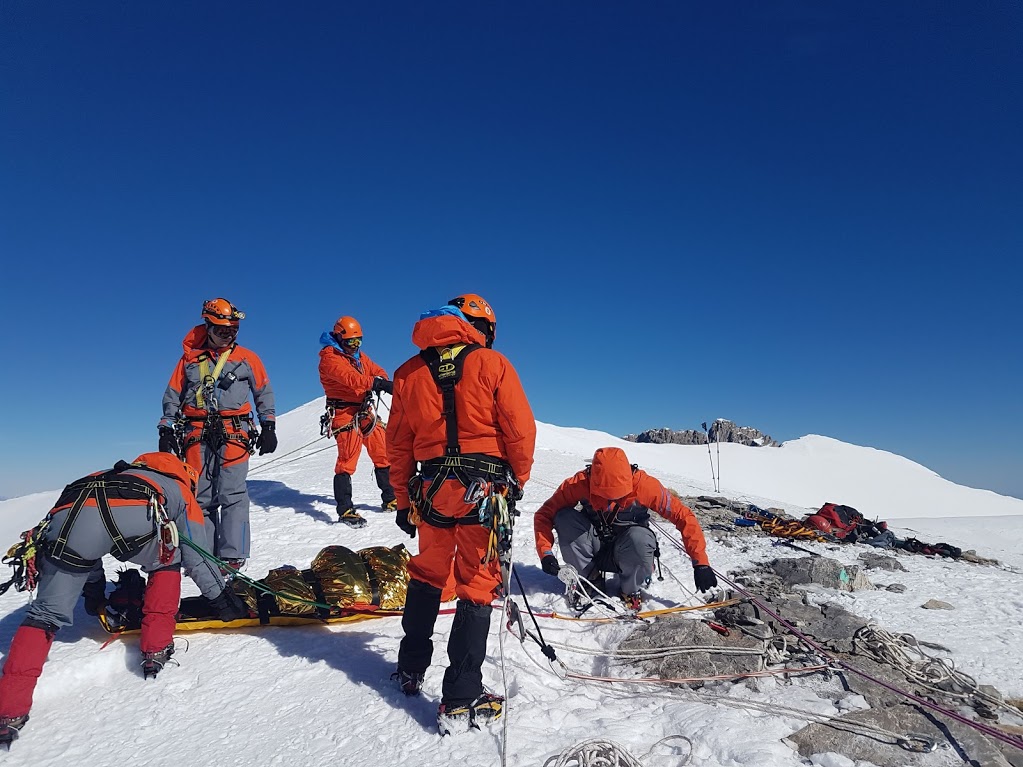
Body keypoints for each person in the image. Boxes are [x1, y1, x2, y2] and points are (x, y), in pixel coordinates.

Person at [0, 452, 250, 747]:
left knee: (44, 615)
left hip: (69, 512)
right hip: (137, 513)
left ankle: (8, 713)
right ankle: (155, 649)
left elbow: (85, 545)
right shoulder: (180, 489)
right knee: (167, 558)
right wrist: (221, 598)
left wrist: (93, 592)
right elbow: (196, 553)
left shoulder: (109, 473)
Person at [388, 293, 535, 735]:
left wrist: (401, 499)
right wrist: (518, 482)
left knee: (429, 574)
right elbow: (519, 430)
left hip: (431, 491)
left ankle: (411, 668)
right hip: (484, 491)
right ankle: (461, 695)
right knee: (476, 584)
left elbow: (397, 444)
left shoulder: (407, 374)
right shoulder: (493, 364)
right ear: (481, 329)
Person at [158, 298, 276, 571]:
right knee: (201, 497)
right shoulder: (189, 360)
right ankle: (204, 554)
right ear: (208, 327)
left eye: (233, 331)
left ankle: (233, 556)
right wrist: (166, 426)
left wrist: (268, 424)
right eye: (223, 331)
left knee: (233, 493)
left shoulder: (248, 358)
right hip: (196, 433)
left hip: (234, 431)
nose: (229, 335)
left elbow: (264, 392)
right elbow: (173, 394)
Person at [533, 446, 717, 612]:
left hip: (630, 550)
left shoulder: (645, 485)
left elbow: (683, 516)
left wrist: (700, 562)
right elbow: (545, 514)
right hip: (594, 545)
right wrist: (546, 552)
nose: (611, 501)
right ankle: (590, 580)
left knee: (641, 538)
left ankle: (631, 589)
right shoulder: (578, 483)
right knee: (564, 517)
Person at [318, 315, 396, 528]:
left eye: (358, 341)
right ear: (339, 338)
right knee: (347, 460)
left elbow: (377, 370)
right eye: (350, 342)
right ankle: (345, 509)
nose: (355, 346)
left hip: (363, 411)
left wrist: (380, 379)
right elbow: (352, 380)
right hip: (344, 413)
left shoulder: (359, 356)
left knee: (382, 452)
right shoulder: (330, 358)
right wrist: (376, 383)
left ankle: (390, 498)